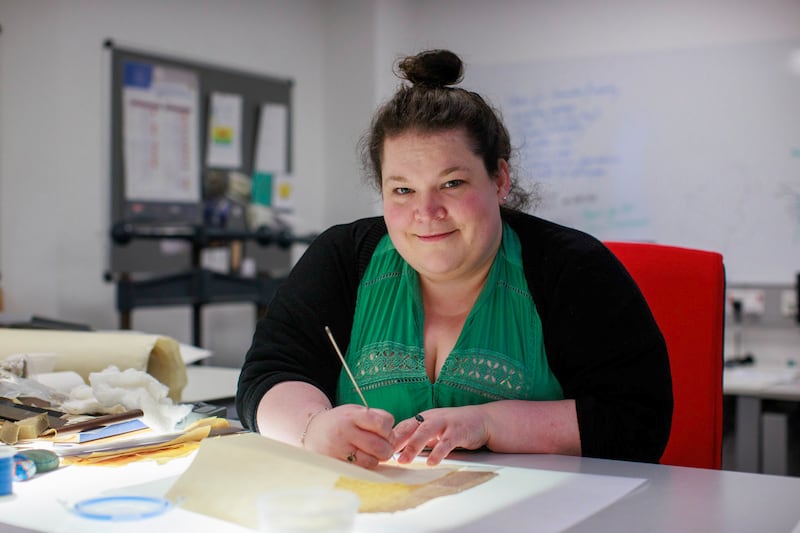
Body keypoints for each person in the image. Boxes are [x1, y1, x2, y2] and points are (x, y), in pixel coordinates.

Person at [236, 49, 673, 469]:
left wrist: (489, 422)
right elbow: (267, 376)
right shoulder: (342, 258)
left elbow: (637, 420)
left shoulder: (573, 270)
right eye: (403, 190)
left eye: (452, 183)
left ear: (499, 179)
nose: (426, 214)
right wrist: (311, 429)